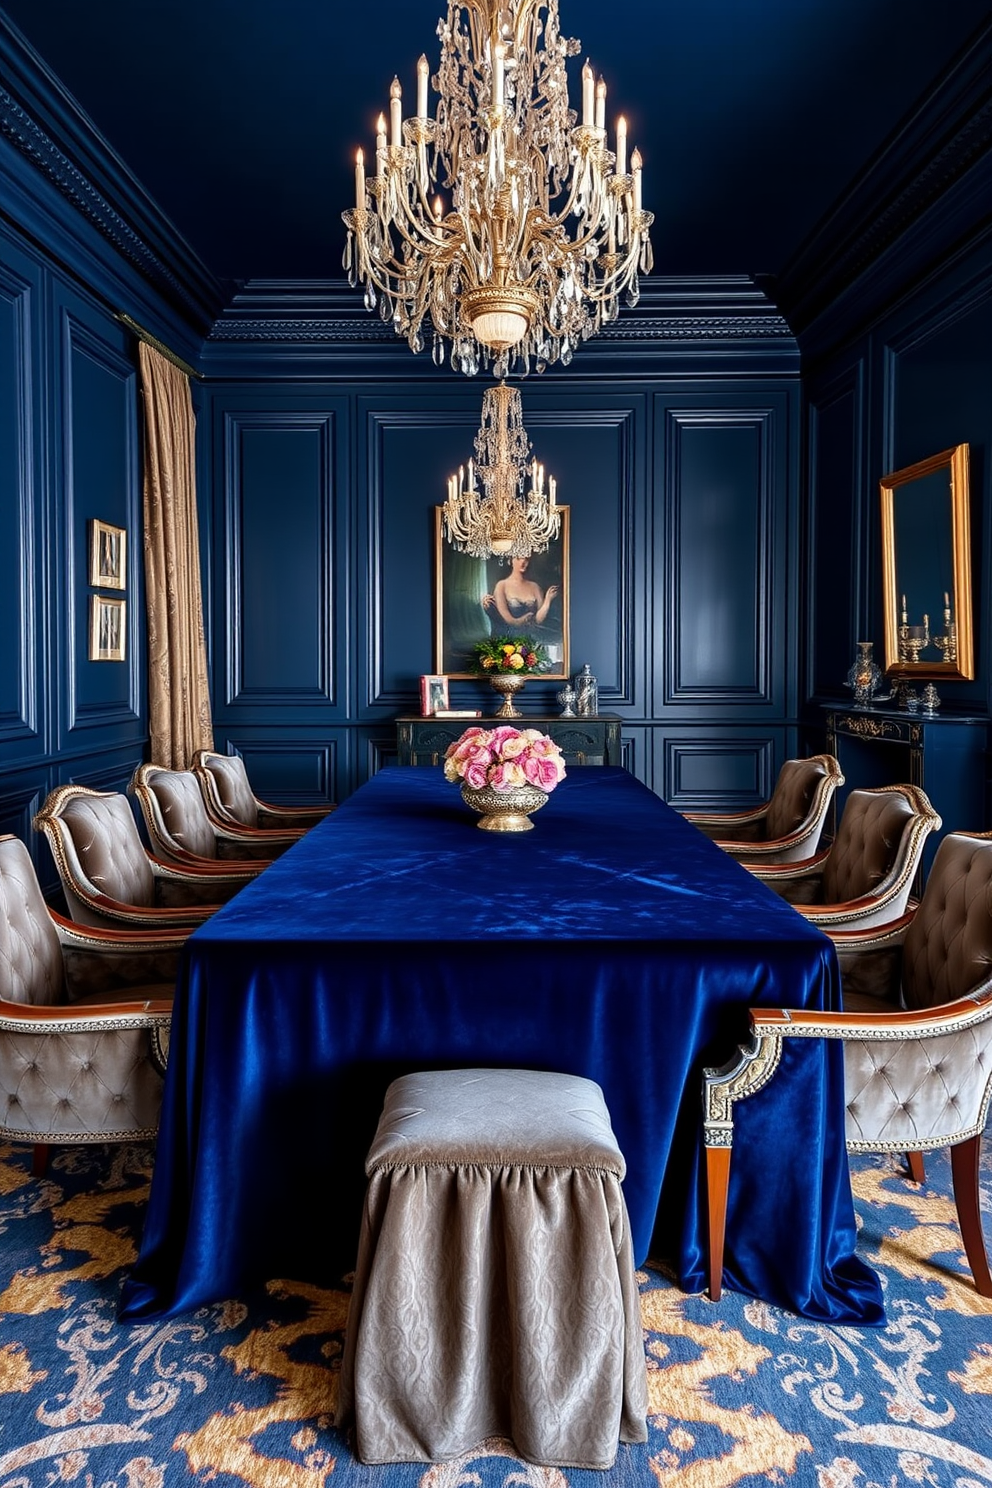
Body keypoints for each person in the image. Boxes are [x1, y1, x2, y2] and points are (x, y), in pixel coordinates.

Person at [481, 555, 559, 631]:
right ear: (510, 560)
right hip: (511, 635)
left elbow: (539, 620)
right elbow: (509, 620)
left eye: (526, 559)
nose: (523, 562)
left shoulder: (535, 587)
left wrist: (548, 600)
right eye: (518, 558)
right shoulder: (502, 585)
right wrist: (523, 620)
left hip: (534, 636)